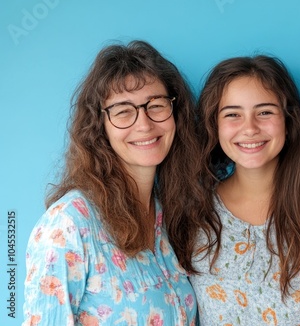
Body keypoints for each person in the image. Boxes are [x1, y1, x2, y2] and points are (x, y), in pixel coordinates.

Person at [23, 41, 200, 325]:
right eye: (123, 111)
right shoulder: (68, 225)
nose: (144, 124)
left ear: (175, 114)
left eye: (156, 105)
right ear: (99, 126)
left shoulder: (168, 217)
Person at [168, 55, 300, 325]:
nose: (250, 128)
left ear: (288, 121)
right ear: (214, 125)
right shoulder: (192, 212)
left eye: (265, 112)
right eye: (233, 114)